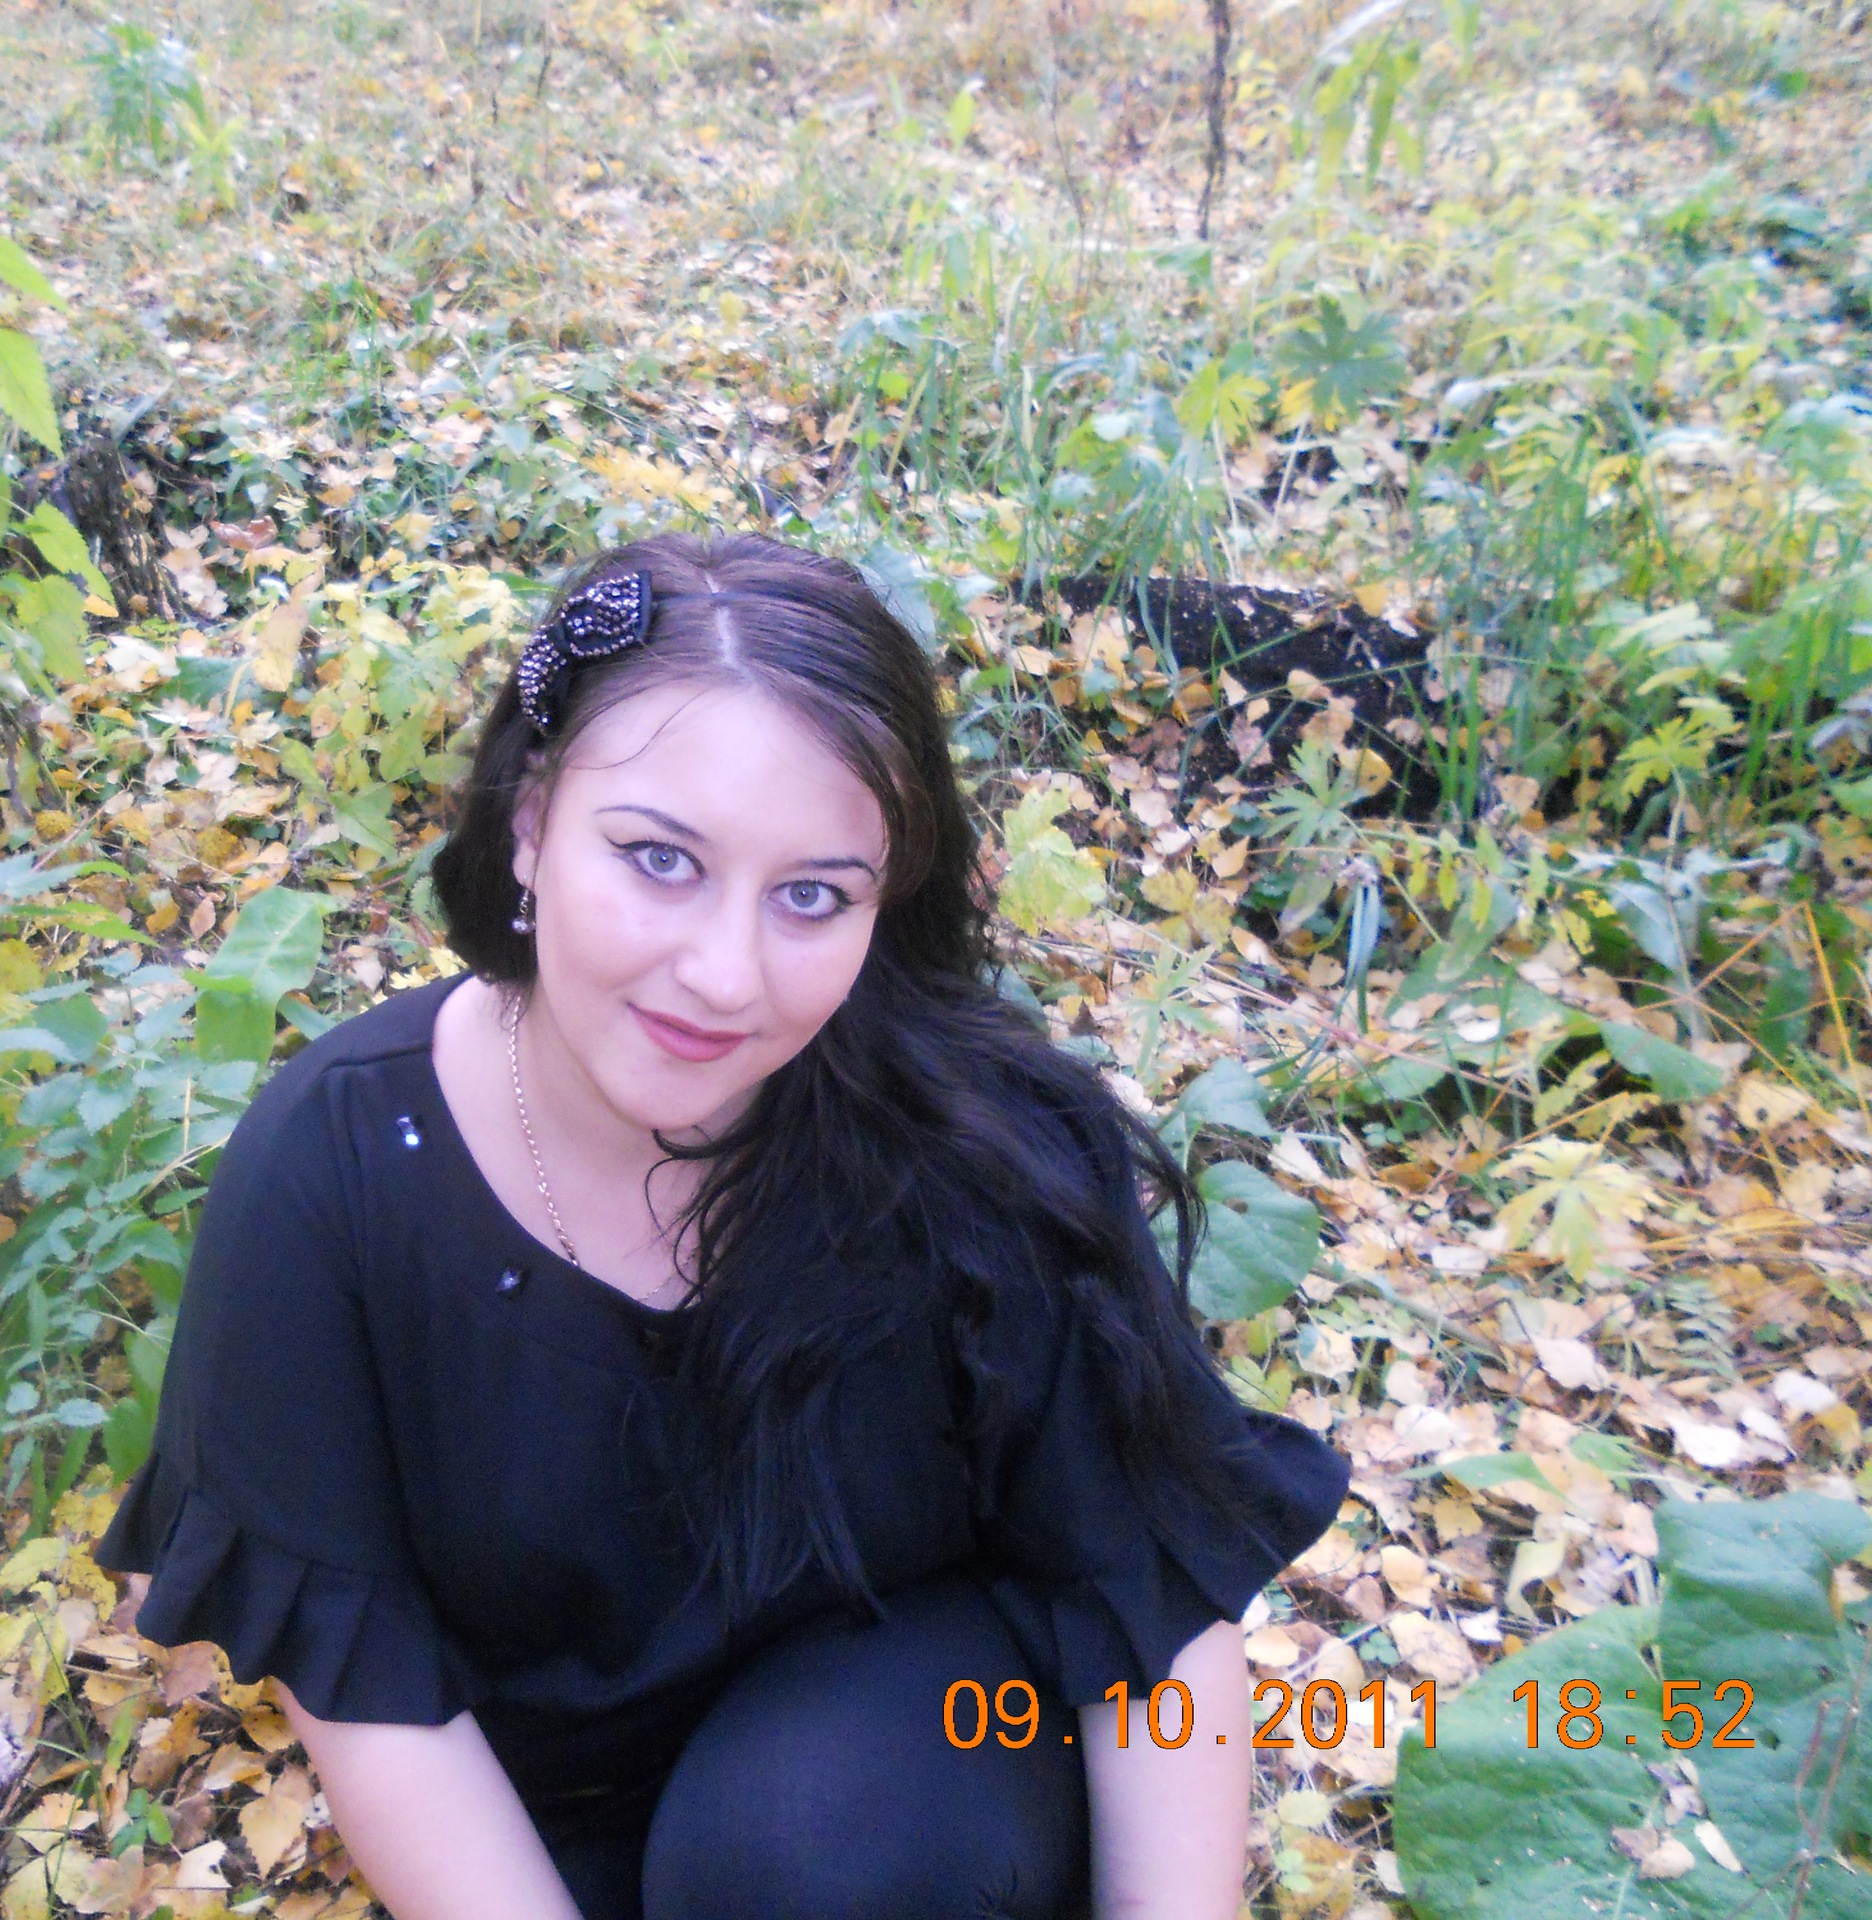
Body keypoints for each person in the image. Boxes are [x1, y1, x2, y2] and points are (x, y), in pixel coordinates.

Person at [93, 531, 1352, 1920]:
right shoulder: (332, 1174)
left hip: (924, 1803)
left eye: (812, 895)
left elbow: (1149, 1615)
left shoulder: (974, 1148)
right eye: (660, 859)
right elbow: (378, 1705)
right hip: (560, 1850)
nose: (725, 975)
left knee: (801, 1847)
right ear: (530, 820)